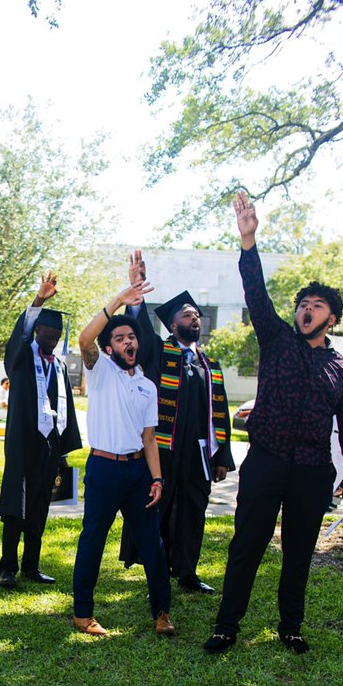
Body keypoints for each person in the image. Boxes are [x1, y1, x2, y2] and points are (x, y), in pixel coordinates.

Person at [204, 192, 343, 655]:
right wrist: (248, 239)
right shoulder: (276, 339)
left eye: (316, 306)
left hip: (313, 471)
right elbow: (255, 293)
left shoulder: (341, 370)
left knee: (298, 555)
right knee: (247, 548)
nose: (306, 309)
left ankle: (290, 627)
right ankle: (226, 626)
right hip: (266, 462)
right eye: (302, 304)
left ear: (330, 318)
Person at [121, 251, 234, 593]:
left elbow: (220, 410)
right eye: (187, 315)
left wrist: (221, 456)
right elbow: (138, 330)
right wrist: (136, 292)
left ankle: (187, 571)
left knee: (192, 510)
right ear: (172, 325)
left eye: (198, 315)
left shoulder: (209, 363)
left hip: (198, 451)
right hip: (164, 447)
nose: (195, 318)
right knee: (160, 506)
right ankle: (156, 567)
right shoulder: (158, 351)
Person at [72, 280, 176, 638]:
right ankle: (82, 614)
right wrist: (118, 300)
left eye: (131, 337)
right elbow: (85, 341)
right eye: (119, 338)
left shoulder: (148, 386)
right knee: (93, 541)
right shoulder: (99, 371)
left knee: (153, 544)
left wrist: (157, 479)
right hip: (103, 469)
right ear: (109, 347)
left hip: (137, 473)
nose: (128, 341)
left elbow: (150, 439)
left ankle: (162, 612)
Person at [0, 272, 82, 588]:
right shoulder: (21, 359)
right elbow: (18, 337)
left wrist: (63, 450)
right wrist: (38, 301)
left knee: (39, 506)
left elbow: (66, 407)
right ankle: (8, 567)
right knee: (15, 507)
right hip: (23, 444)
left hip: (50, 445)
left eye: (57, 337)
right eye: (48, 335)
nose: (53, 340)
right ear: (36, 332)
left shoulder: (58, 365)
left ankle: (31, 565)